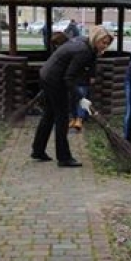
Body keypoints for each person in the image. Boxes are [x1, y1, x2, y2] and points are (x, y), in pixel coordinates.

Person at [31, 25, 114, 167]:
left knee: (50, 114)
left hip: (47, 74)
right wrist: (81, 97)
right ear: (95, 39)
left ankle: (38, 150)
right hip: (54, 80)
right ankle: (64, 158)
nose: (105, 46)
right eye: (103, 42)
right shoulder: (83, 51)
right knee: (62, 118)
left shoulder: (87, 44)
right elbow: (68, 78)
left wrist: (90, 78)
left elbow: (91, 62)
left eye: (107, 43)